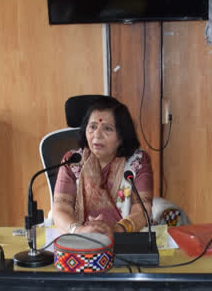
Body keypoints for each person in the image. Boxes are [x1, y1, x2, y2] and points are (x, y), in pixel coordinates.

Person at [51, 97, 153, 237]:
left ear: (121, 136)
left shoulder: (137, 162)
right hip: (79, 238)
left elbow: (141, 210)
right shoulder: (72, 162)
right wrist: (79, 230)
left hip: (124, 237)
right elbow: (61, 208)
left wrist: (116, 230)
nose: (97, 135)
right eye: (92, 127)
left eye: (108, 129)